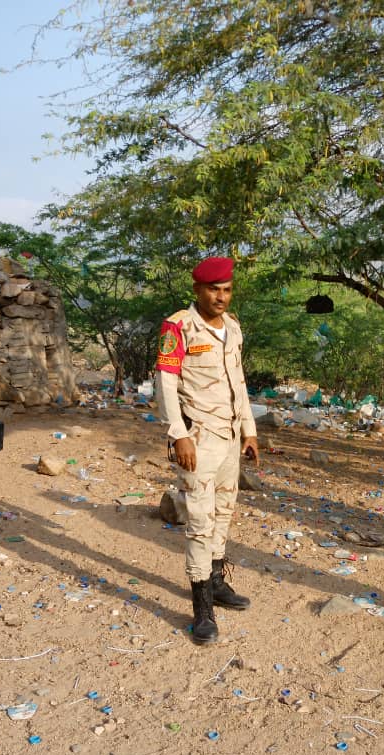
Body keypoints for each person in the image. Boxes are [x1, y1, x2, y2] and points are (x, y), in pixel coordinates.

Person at [155, 256, 259, 645]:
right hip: (197, 440)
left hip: (230, 439)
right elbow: (165, 385)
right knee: (199, 520)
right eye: (214, 289)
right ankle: (201, 609)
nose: (221, 296)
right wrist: (178, 435)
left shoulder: (232, 328)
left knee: (224, 510)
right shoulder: (178, 327)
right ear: (197, 290)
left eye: (227, 289)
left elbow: (240, 382)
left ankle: (216, 581)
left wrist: (249, 430)